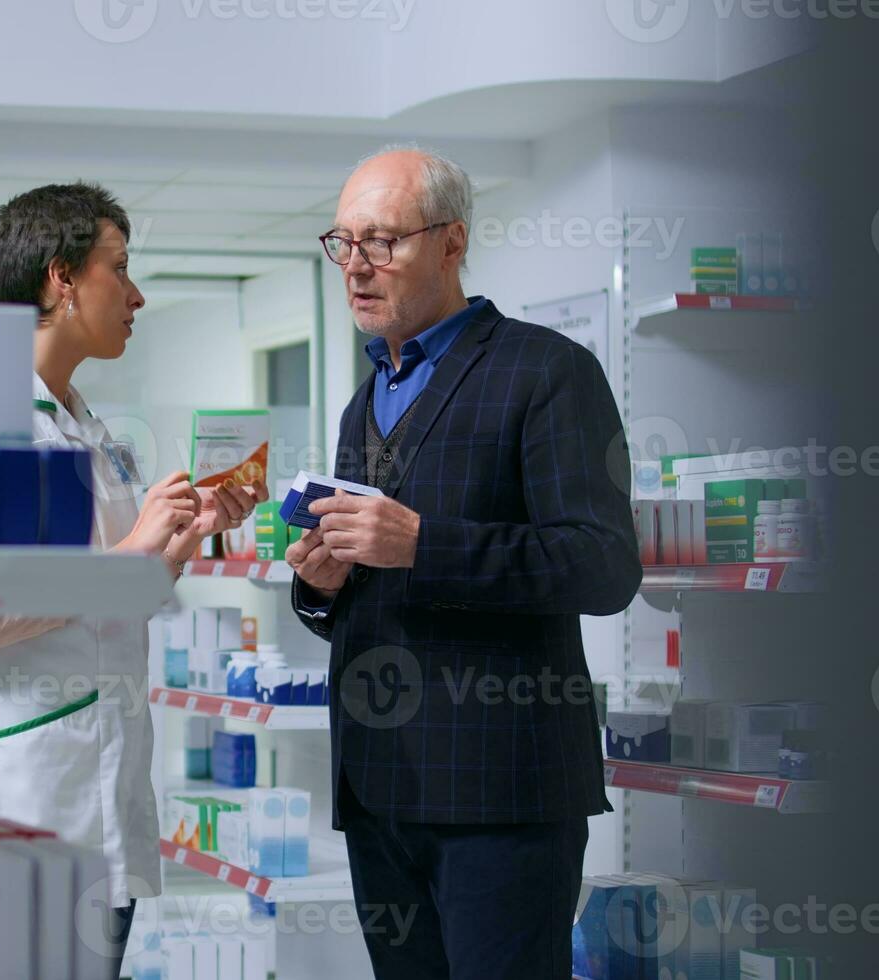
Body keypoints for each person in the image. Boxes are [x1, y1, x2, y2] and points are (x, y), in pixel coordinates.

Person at [286, 147, 642, 979]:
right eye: (343, 243)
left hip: (499, 798)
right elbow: (364, 583)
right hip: (378, 792)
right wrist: (318, 584)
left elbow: (603, 565)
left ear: (452, 242)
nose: (356, 267)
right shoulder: (364, 398)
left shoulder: (547, 371)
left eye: (382, 242)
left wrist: (424, 543)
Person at [0, 182, 266, 975]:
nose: (136, 294)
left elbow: (119, 599)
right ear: (60, 279)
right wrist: (131, 554)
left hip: (97, 801)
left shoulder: (87, 430)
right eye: (120, 267)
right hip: (19, 808)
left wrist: (184, 536)